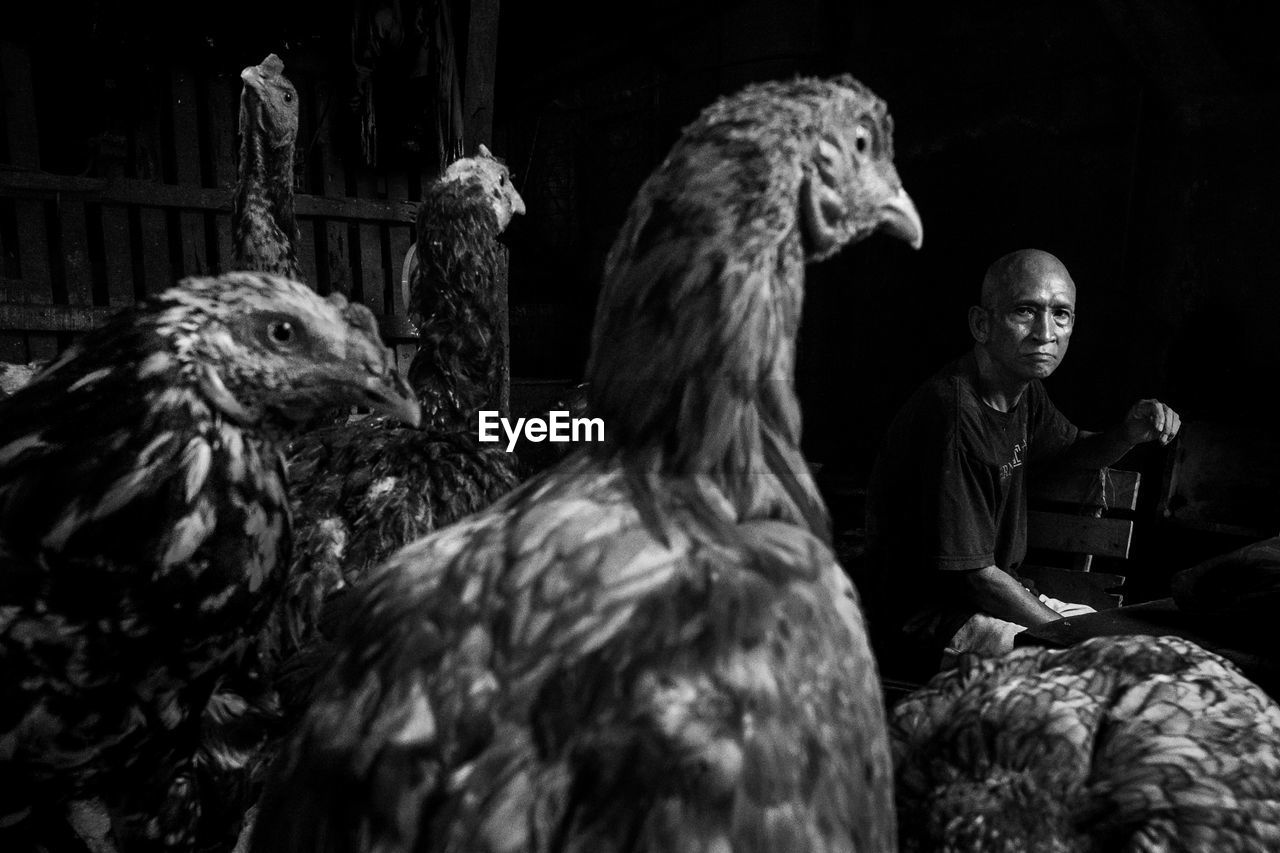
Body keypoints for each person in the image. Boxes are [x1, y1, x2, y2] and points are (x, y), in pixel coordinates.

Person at [863, 248, 1181, 673]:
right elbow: (974, 576)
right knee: (1103, 669)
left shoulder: (1020, 391)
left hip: (994, 597)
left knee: (1150, 653)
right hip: (928, 624)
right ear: (981, 324)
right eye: (1025, 311)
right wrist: (1072, 639)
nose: (1044, 332)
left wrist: (1125, 435)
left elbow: (1070, 454)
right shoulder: (955, 416)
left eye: (1061, 314)